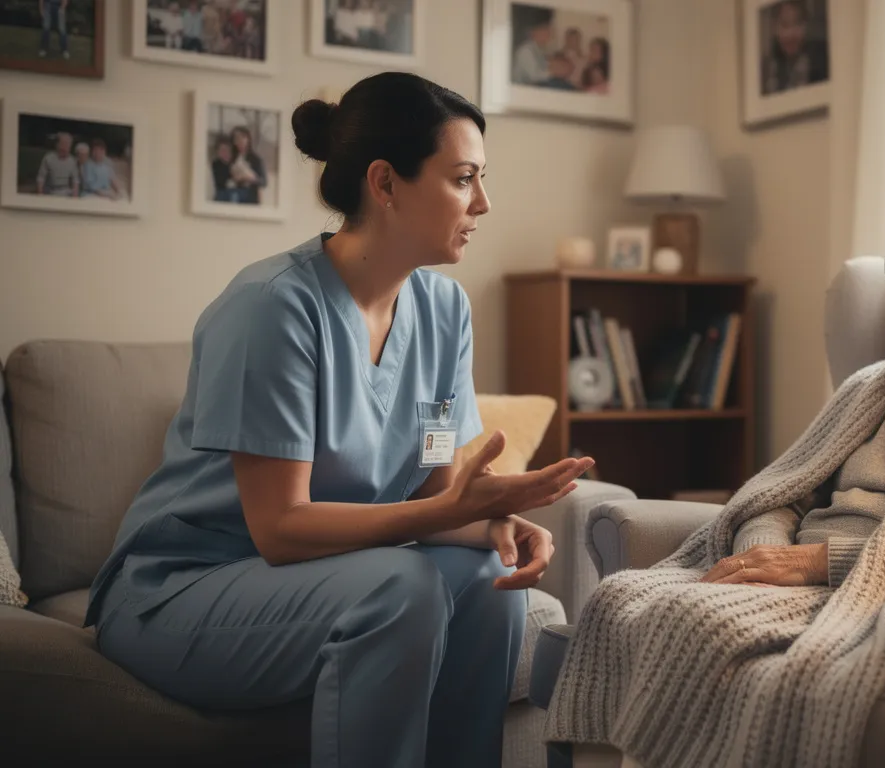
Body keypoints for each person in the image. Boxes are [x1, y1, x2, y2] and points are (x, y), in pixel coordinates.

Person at [84, 71, 594, 768]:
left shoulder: (445, 313)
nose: (483, 202)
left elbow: (432, 496)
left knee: (489, 581)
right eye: (463, 179)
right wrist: (452, 512)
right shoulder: (271, 307)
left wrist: (492, 522)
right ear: (385, 183)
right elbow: (280, 529)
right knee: (404, 588)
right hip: (184, 588)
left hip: (334, 575)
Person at [545, 189, 885, 766]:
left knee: (695, 620)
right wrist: (764, 556)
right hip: (792, 574)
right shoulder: (872, 387)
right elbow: (780, 493)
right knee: (617, 597)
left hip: (867, 593)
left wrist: (815, 564)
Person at [761, 0, 829, 95]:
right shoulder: (766, 69)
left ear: (806, 25)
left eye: (797, 23)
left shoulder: (820, 62)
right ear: (774, 28)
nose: (791, 33)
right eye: (784, 25)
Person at [227, 126, 266, 205]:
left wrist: (250, 179)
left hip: (251, 200)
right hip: (234, 198)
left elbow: (264, 182)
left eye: (243, 137)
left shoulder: (256, 159)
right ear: (233, 142)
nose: (240, 141)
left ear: (248, 139)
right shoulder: (231, 159)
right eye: (237, 138)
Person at [511, 13, 553, 85]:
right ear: (534, 32)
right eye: (544, 30)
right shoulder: (526, 50)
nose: (549, 33)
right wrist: (553, 73)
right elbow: (534, 76)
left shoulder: (539, 49)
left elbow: (544, 66)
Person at [35, 131, 78, 196]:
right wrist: (40, 194)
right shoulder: (48, 158)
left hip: (66, 192)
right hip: (50, 191)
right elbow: (41, 178)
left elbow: (75, 180)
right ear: (57, 145)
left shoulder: (72, 161)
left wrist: (75, 196)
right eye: (63, 144)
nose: (65, 147)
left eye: (68, 145)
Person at [210, 135, 239, 203]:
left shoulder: (236, 162)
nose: (225, 152)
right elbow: (220, 184)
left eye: (227, 149)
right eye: (222, 150)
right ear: (217, 152)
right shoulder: (215, 164)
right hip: (222, 195)